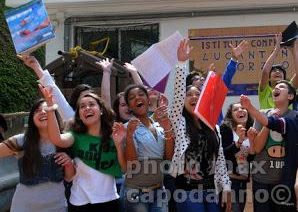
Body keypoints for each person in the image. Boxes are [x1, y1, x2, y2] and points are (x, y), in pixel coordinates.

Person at [40, 86, 126, 212]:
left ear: (101, 110)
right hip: (79, 202)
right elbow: (56, 139)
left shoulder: (114, 135)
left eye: (91, 104)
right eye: (82, 106)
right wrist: (50, 107)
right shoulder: (75, 136)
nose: (87, 108)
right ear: (79, 115)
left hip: (109, 199)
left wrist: (119, 145)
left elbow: (123, 169)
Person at [169, 39, 231, 212]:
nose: (193, 97)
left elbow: (219, 161)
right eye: (189, 94)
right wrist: (181, 63)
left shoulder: (213, 127)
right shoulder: (178, 121)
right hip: (187, 190)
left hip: (211, 190)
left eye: (197, 94)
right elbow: (178, 94)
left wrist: (226, 188)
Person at [0, 98, 75, 212]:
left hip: (57, 207)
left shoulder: (64, 141)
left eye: (46, 109)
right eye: (37, 110)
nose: (43, 112)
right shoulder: (21, 141)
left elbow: (69, 177)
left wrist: (69, 163)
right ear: (32, 119)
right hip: (23, 207)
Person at [241, 80, 297, 212]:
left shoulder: (295, 117)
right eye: (275, 87)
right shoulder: (262, 114)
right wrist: (270, 121)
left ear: (290, 96)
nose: (276, 88)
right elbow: (257, 148)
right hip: (262, 180)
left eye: (281, 87)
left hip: (285, 182)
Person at [122, 83, 174, 212]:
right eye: (132, 97)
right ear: (129, 106)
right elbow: (132, 164)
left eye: (141, 95)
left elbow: (168, 158)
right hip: (136, 194)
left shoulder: (159, 125)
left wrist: (167, 128)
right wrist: (129, 136)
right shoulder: (126, 128)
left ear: (148, 99)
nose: (138, 98)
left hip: (159, 191)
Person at [220, 103, 257, 212]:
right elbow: (223, 155)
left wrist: (250, 140)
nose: (240, 110)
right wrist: (239, 142)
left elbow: (251, 160)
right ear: (231, 115)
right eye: (236, 109)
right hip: (229, 182)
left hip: (243, 183)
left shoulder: (252, 130)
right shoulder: (226, 129)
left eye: (243, 108)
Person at [259, 33, 298, 109]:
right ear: (269, 78)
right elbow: (265, 72)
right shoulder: (265, 91)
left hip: (287, 121)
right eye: (274, 70)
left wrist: (294, 49)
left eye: (280, 71)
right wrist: (277, 49)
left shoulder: (289, 87)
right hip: (268, 121)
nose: (277, 72)